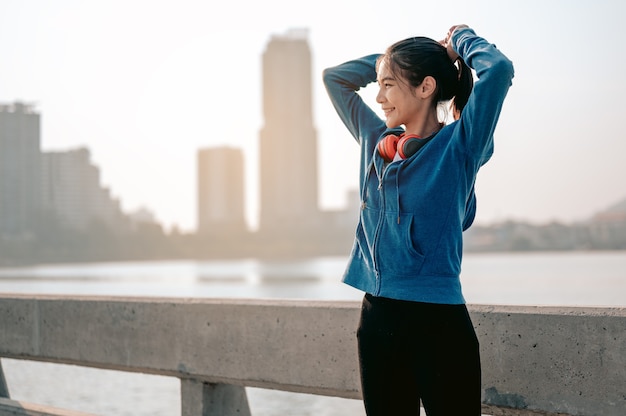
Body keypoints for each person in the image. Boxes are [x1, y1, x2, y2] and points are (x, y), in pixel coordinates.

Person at [322, 25, 514, 415]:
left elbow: (499, 69)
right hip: (376, 319)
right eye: (379, 84)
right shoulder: (374, 139)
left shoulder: (460, 146)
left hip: (437, 323)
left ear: (425, 87)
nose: (378, 97)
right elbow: (335, 78)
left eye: (389, 85)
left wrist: (458, 42)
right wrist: (391, 62)